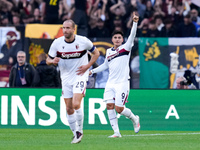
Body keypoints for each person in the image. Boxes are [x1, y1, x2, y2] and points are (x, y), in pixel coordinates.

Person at [46, 19, 99, 144]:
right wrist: (52, 62)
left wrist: (88, 66)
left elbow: (96, 54)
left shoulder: (83, 41)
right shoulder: (57, 43)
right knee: (69, 109)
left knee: (76, 104)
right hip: (65, 78)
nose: (65, 30)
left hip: (80, 75)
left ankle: (80, 130)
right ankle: (75, 133)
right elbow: (48, 59)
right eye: (64, 28)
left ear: (73, 29)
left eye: (68, 28)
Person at [89, 12, 140, 138]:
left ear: (122, 40)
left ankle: (134, 118)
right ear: (112, 39)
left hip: (122, 82)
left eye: (119, 38)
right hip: (110, 83)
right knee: (109, 106)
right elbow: (106, 65)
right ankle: (116, 132)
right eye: (115, 37)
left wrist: (134, 22)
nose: (117, 39)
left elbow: (132, 35)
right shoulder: (108, 51)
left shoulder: (126, 48)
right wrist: (92, 71)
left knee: (119, 108)